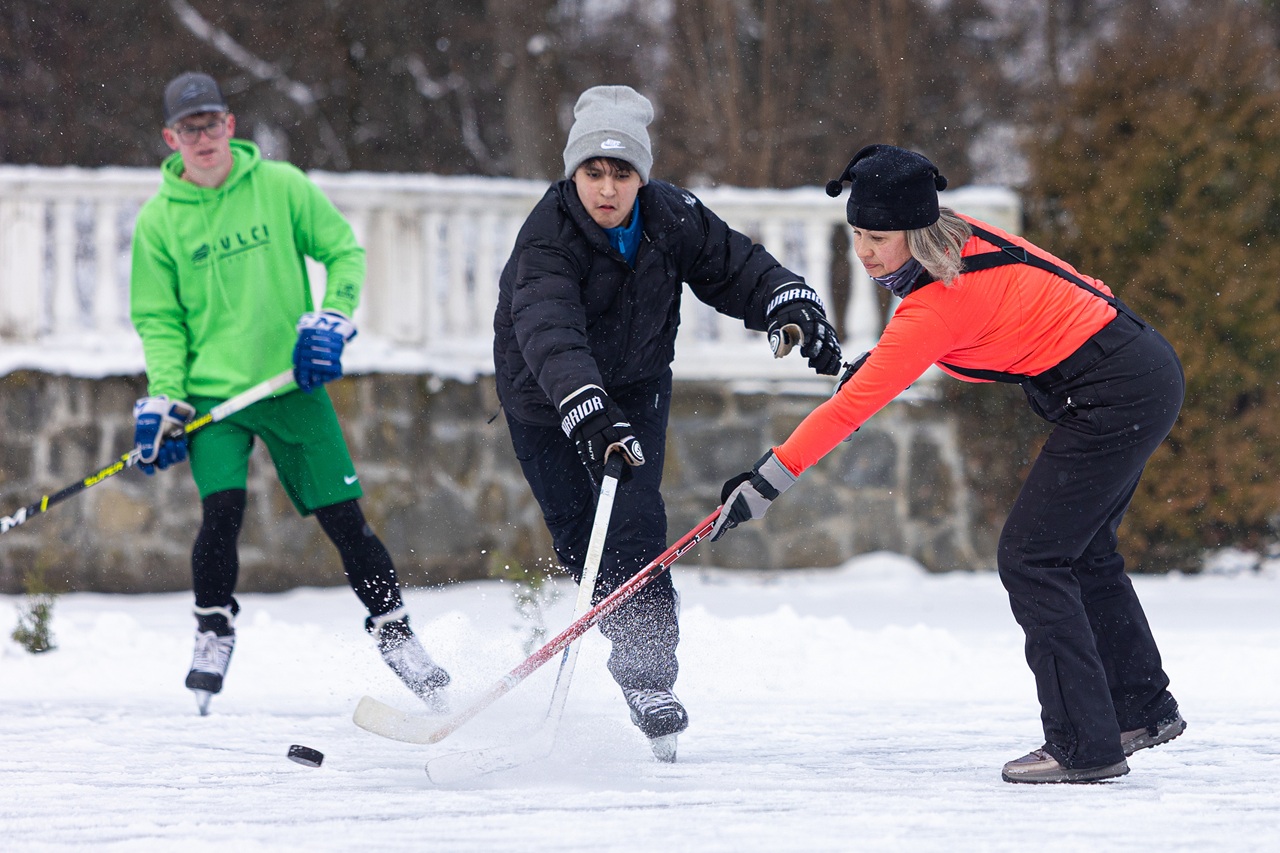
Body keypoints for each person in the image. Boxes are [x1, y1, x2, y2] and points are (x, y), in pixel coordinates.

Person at [711, 144, 1187, 784]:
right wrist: (879, 366)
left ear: (915, 232)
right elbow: (943, 340)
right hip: (1138, 366)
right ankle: (1139, 708)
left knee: (1033, 557)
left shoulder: (934, 305)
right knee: (1080, 550)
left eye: (878, 237)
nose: (866, 252)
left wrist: (764, 484)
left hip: (1114, 391)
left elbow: (853, 406)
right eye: (856, 234)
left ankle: (1085, 745)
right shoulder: (957, 241)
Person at [492, 85, 842, 760]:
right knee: (580, 533)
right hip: (547, 400)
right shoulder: (547, 237)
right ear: (574, 174)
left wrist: (789, 303)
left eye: (621, 173)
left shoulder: (670, 215)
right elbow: (549, 334)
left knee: (632, 522)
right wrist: (587, 410)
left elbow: (737, 267)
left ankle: (648, 679)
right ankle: (631, 648)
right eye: (593, 171)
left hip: (639, 385)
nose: (607, 188)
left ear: (641, 177)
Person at [129, 71, 450, 715]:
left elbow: (343, 254)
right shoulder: (158, 224)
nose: (203, 138)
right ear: (171, 139)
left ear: (231, 126)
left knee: (344, 518)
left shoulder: (281, 187)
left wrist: (332, 317)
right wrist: (166, 395)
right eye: (189, 128)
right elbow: (159, 321)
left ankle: (396, 633)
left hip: (290, 382)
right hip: (213, 400)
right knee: (220, 516)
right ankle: (213, 630)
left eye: (212, 123)